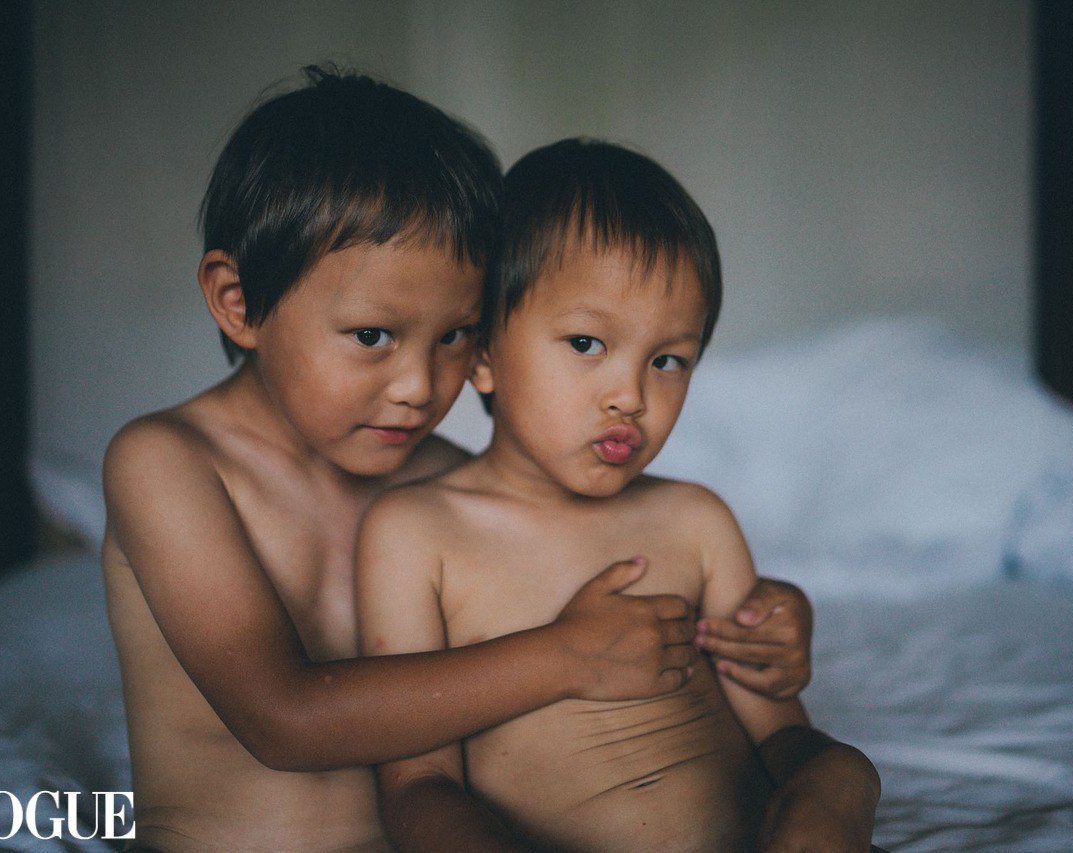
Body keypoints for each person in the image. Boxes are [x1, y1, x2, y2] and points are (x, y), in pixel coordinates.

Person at [102, 68, 817, 852]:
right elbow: (283, 719)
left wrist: (762, 618)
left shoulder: (433, 479)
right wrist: (566, 655)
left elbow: (581, 558)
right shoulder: (166, 463)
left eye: (455, 336)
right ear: (238, 301)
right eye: (374, 334)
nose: (419, 385)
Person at [358, 138, 882, 852]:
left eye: (668, 360)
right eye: (586, 343)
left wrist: (830, 786)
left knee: (846, 769)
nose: (631, 396)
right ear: (481, 353)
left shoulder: (695, 520)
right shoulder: (416, 532)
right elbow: (419, 784)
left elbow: (781, 735)